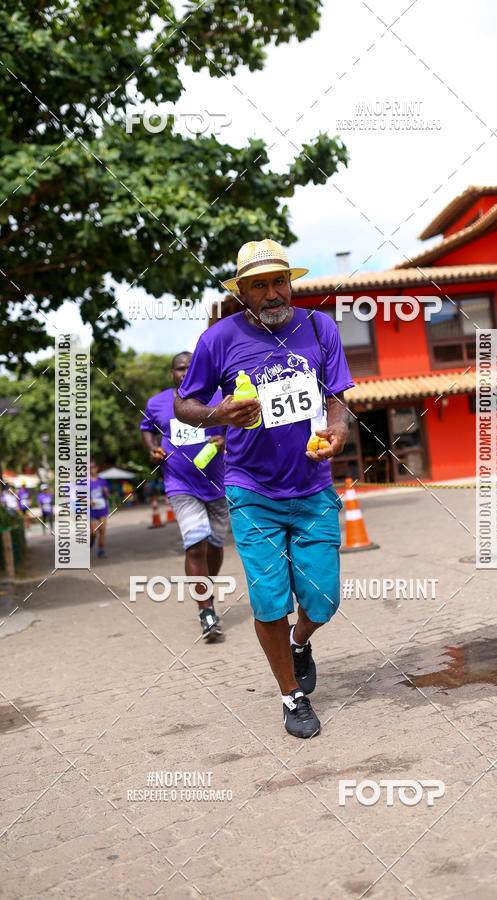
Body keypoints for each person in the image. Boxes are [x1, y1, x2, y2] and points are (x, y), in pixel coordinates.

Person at [174, 238, 353, 739]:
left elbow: (336, 398)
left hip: (313, 485)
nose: (273, 293)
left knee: (323, 600)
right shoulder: (219, 339)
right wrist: (219, 413)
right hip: (251, 489)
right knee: (269, 599)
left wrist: (337, 430)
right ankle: (290, 695)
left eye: (279, 281)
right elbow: (184, 405)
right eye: (260, 285)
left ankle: (301, 641)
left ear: (289, 282)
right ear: (243, 293)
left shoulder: (319, 327)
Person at [140, 352, 228, 642]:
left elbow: (238, 428)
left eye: (192, 367)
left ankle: (206, 590)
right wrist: (153, 449)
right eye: (180, 368)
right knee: (195, 545)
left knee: (215, 544)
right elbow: (146, 430)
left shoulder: (218, 396)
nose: (186, 372)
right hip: (180, 485)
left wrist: (224, 439)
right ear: (172, 373)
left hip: (217, 484)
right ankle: (206, 611)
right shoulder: (157, 402)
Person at [90, 461, 110, 557]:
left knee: (102, 531)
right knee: (93, 533)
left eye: (93, 467)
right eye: (89, 467)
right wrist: (88, 501)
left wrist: (106, 492)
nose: (91, 469)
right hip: (92, 510)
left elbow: (107, 496)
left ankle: (101, 550)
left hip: (102, 508)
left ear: (96, 468)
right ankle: (90, 543)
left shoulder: (102, 481)